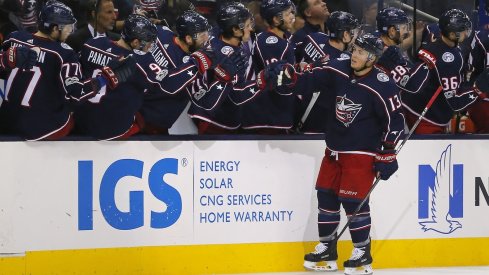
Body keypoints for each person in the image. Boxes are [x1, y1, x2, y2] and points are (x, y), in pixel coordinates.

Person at [269, 33, 405, 274]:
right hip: (333, 150)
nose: (354, 55)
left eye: (361, 52)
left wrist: (388, 152)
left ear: (372, 58)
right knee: (326, 198)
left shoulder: (382, 84)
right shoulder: (338, 68)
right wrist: (289, 78)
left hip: (361, 153)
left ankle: (362, 252)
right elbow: (309, 80)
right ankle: (327, 248)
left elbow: (394, 121)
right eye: (355, 49)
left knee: (354, 203)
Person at [76, 14, 239, 139]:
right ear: (135, 42)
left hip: (85, 116)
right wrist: (199, 62)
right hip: (121, 126)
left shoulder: (94, 43)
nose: (152, 45)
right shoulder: (138, 61)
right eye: (148, 41)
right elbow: (168, 84)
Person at [0, 0, 131, 140]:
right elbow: (76, 94)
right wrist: (104, 79)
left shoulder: (15, 38)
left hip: (7, 120)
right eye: (67, 26)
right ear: (55, 28)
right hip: (41, 128)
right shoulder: (64, 54)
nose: (70, 31)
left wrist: (4, 60)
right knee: (74, 119)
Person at [386, 9, 480, 134]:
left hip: (410, 104)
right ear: (452, 34)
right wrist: (477, 90)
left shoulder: (437, 42)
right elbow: (454, 102)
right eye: (463, 29)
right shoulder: (450, 60)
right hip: (427, 118)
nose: (466, 32)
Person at [188, 2, 261, 134]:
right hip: (214, 120)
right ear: (235, 30)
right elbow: (236, 95)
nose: (251, 29)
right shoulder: (219, 53)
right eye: (247, 26)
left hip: (225, 117)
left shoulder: (222, 42)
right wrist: (261, 82)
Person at [293, 11, 359, 134]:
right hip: (316, 124)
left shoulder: (313, 37)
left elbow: (292, 56)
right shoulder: (346, 62)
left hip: (293, 106)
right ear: (345, 35)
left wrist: (303, 67)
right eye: (353, 32)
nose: (355, 36)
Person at [241, 0, 297, 134]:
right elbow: (276, 81)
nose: (292, 17)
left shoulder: (281, 39)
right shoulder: (272, 42)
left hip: (271, 115)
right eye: (288, 13)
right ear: (276, 19)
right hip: (267, 118)